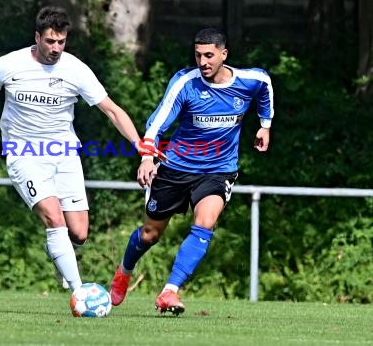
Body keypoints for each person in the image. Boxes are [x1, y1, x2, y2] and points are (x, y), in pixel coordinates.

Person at [0, 6, 164, 294]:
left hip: (65, 153)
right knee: (54, 219)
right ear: (37, 37)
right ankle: (79, 292)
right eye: (50, 41)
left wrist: (141, 147)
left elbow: (111, 111)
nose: (56, 48)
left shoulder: (76, 69)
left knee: (79, 233)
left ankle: (59, 251)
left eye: (61, 42)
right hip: (23, 153)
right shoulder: (10, 64)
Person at [109, 27, 274, 315]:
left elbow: (266, 88)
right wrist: (148, 158)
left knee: (206, 223)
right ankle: (124, 271)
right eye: (198, 55)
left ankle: (169, 292)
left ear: (224, 54)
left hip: (218, 170)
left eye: (209, 55)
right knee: (150, 234)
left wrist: (265, 125)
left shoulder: (250, 80)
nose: (203, 62)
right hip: (176, 166)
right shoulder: (185, 83)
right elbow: (158, 122)